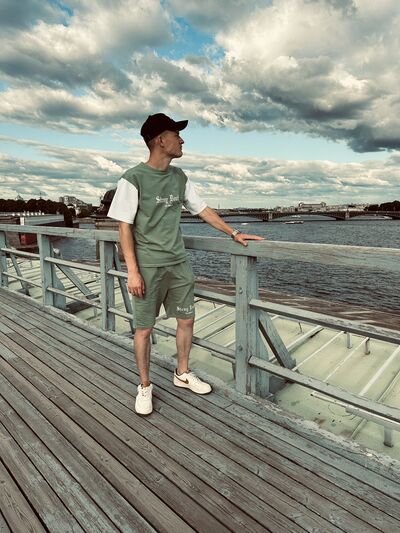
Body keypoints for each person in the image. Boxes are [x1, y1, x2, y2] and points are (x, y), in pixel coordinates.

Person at [108, 113, 263, 415]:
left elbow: (202, 209)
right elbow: (124, 227)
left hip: (178, 262)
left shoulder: (179, 177)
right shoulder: (132, 178)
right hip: (148, 267)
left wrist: (233, 233)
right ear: (160, 140)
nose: (182, 140)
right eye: (176, 134)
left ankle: (182, 373)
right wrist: (133, 272)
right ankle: (144, 386)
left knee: (186, 320)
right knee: (144, 329)